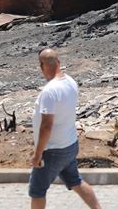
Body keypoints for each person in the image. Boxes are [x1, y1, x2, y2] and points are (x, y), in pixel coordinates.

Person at [29, 48, 101, 209]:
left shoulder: (49, 91)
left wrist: (38, 154)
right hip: (69, 144)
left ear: (42, 67)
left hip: (53, 150)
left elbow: (47, 126)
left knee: (37, 191)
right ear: (58, 62)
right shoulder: (70, 82)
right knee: (76, 181)